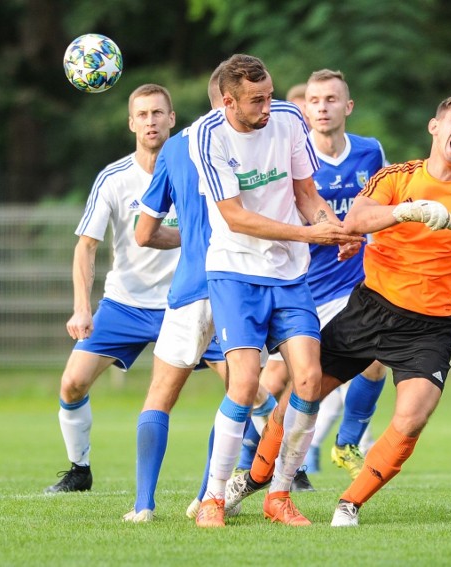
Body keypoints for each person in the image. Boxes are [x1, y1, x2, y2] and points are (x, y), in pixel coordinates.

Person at [226, 92, 451, 528]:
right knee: (302, 393)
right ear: (435, 128)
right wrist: (409, 211)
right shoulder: (398, 177)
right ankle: (256, 479)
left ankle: (349, 504)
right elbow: (356, 220)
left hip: (430, 329)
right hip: (371, 307)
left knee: (413, 417)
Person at [187, 53, 363, 528]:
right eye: (256, 100)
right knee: (244, 383)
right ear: (229, 101)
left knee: (309, 379)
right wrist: (312, 235)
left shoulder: (286, 118)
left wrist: (335, 228)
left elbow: (306, 193)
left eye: (270, 94)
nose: (269, 106)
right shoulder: (207, 136)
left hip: (289, 275)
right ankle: (214, 497)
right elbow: (235, 216)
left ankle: (280, 494)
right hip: (235, 272)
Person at [44, 84, 178, 494]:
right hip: (126, 304)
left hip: (185, 302)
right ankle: (79, 469)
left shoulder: (194, 169)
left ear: (172, 118)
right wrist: (82, 308)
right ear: (131, 123)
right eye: (143, 115)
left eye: (158, 113)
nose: (151, 121)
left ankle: (270, 470)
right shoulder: (115, 178)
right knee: (72, 383)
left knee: (248, 385)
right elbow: (86, 246)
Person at [257, 69, 388, 484]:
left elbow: (387, 203)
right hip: (305, 286)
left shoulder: (371, 152)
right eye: (314, 101)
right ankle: (258, 453)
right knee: (280, 380)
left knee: (374, 361)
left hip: (357, 285)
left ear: (347, 107)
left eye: (331, 100)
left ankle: (346, 442)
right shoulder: (293, 157)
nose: (322, 108)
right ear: (305, 110)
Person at [121, 64, 231, 522]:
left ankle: (144, 505)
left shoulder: (176, 147)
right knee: (247, 396)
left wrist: (192, 238)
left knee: (160, 396)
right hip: (240, 287)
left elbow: (144, 233)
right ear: (231, 101)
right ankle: (210, 495)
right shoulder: (260, 141)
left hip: (189, 286)